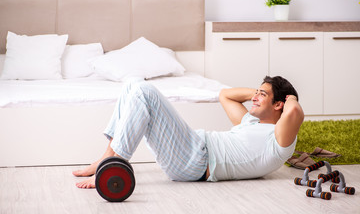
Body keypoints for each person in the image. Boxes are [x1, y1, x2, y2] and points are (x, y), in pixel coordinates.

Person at [73, 75, 304, 188]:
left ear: (279, 105)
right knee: (133, 84)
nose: (254, 97)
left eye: (262, 95)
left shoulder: (279, 139)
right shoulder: (250, 123)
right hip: (193, 149)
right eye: (256, 93)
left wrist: (290, 96)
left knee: (144, 90)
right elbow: (225, 94)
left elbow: (295, 113)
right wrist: (260, 92)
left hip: (198, 161)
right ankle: (107, 158)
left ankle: (114, 167)